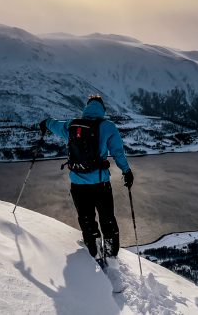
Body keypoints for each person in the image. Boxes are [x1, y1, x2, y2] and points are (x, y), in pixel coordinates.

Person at [37, 95, 133, 259]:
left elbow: (54, 125)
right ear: (102, 109)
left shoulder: (72, 125)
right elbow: (118, 153)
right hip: (101, 184)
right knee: (107, 218)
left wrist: (46, 123)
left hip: (78, 184)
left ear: (86, 108)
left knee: (87, 218)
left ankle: (93, 252)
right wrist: (126, 171)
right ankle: (110, 255)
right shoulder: (108, 127)